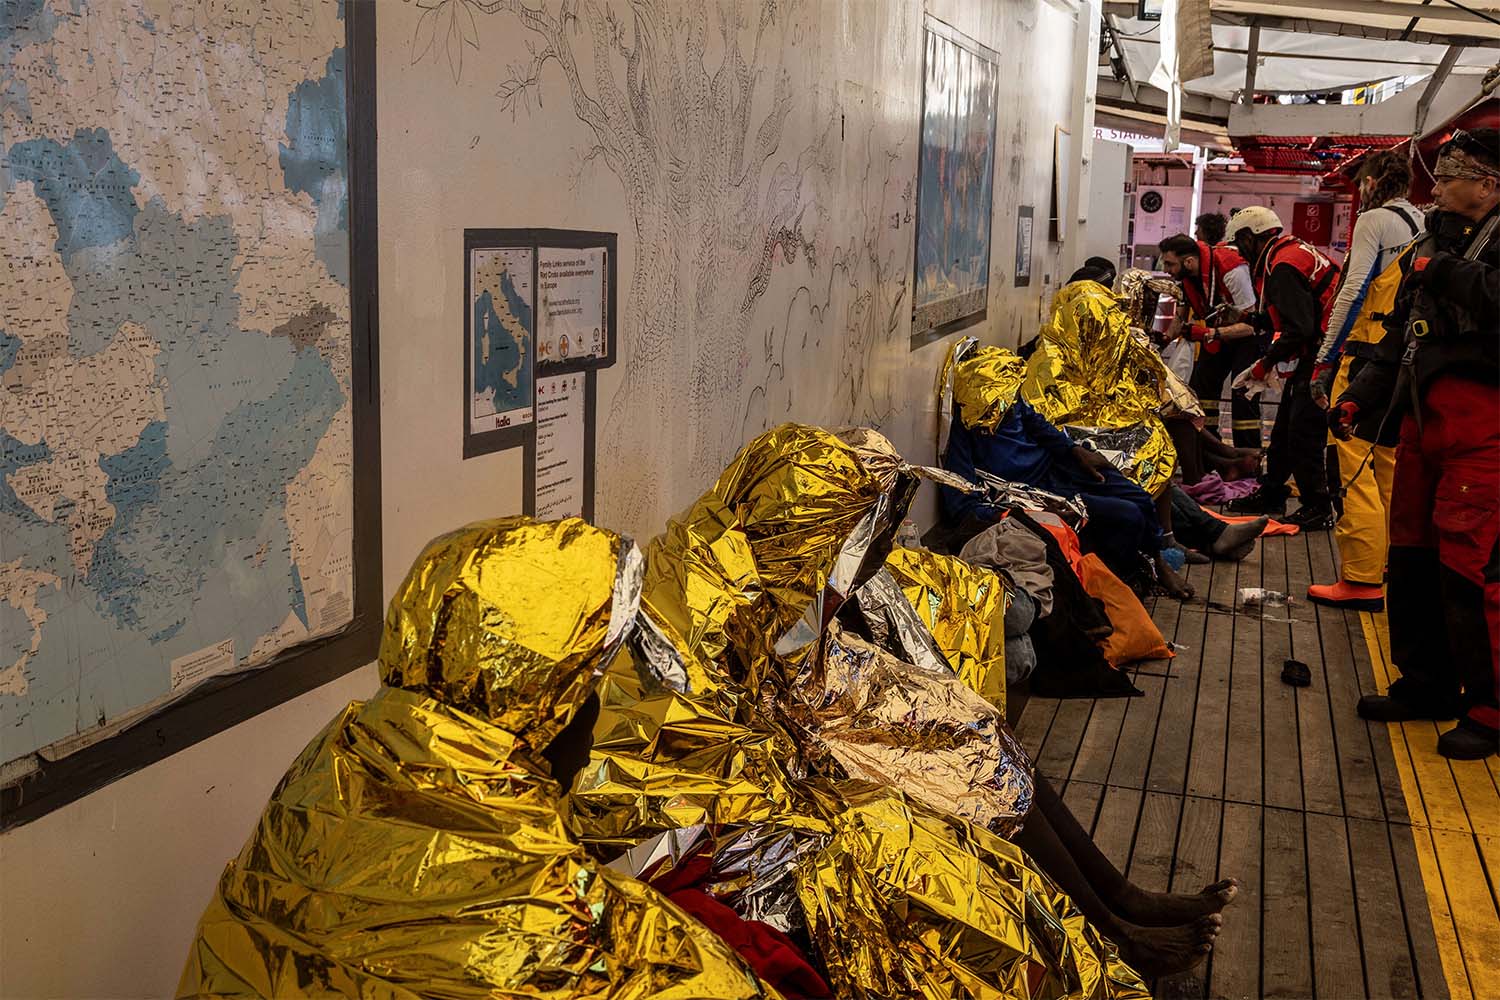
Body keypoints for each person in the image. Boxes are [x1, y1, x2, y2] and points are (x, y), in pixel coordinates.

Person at [1336, 127, 1500, 761]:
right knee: (1409, 553)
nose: (1438, 188)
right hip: (1423, 419)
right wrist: (1361, 395)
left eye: (1451, 176)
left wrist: (1447, 272)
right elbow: (1401, 333)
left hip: (1486, 428)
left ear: (1487, 184)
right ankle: (1425, 682)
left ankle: (1488, 709)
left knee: (1473, 565)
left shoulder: (1450, 253)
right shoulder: (1430, 243)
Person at [1306, 151, 1423, 610]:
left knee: (1350, 466)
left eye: (1359, 184)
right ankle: (1396, 562)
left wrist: (1324, 360)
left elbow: (1353, 290)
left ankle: (1360, 577)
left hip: (1364, 358)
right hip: (1402, 361)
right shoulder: (1421, 220)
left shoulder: (1374, 219)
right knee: (1393, 464)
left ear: (1371, 181)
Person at [1222, 206, 1343, 529]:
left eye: (1240, 244)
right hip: (1323, 350)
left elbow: (1300, 329)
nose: (1241, 254)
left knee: (1303, 430)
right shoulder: (1292, 253)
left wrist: (1265, 363)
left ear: (1251, 237)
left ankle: (1317, 506)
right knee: (1284, 431)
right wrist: (1249, 318)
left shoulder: (1283, 266)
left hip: (1326, 356)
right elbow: (1297, 316)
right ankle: (1272, 491)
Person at [1158, 233, 1262, 448]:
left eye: (1170, 264)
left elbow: (1252, 324)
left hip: (1248, 337)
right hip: (1218, 333)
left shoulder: (1232, 270)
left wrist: (1210, 334)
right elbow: (1180, 315)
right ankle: (1210, 454)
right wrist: (1163, 340)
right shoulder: (1187, 279)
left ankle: (1248, 459)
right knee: (1201, 391)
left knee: (1243, 396)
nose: (1166, 270)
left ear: (1188, 261)